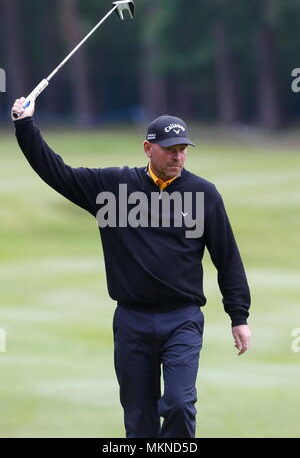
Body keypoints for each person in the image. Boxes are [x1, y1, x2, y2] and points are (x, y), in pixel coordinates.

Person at [11, 97, 251, 439]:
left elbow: (227, 258)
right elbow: (56, 172)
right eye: (170, 149)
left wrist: (238, 316)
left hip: (182, 318)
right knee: (138, 418)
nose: (178, 156)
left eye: (183, 149)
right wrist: (25, 127)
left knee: (180, 404)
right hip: (131, 320)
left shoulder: (204, 194)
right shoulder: (113, 189)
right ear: (147, 148)